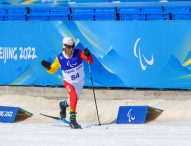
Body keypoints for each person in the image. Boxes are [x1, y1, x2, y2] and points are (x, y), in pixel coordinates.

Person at [41, 36, 94, 129]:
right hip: (68, 81)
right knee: (73, 97)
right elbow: (52, 70)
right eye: (68, 47)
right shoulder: (60, 58)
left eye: (72, 46)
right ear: (64, 46)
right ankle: (73, 120)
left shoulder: (78, 52)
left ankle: (63, 104)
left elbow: (90, 61)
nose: (71, 49)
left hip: (80, 81)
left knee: (74, 99)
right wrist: (48, 67)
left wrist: (88, 55)